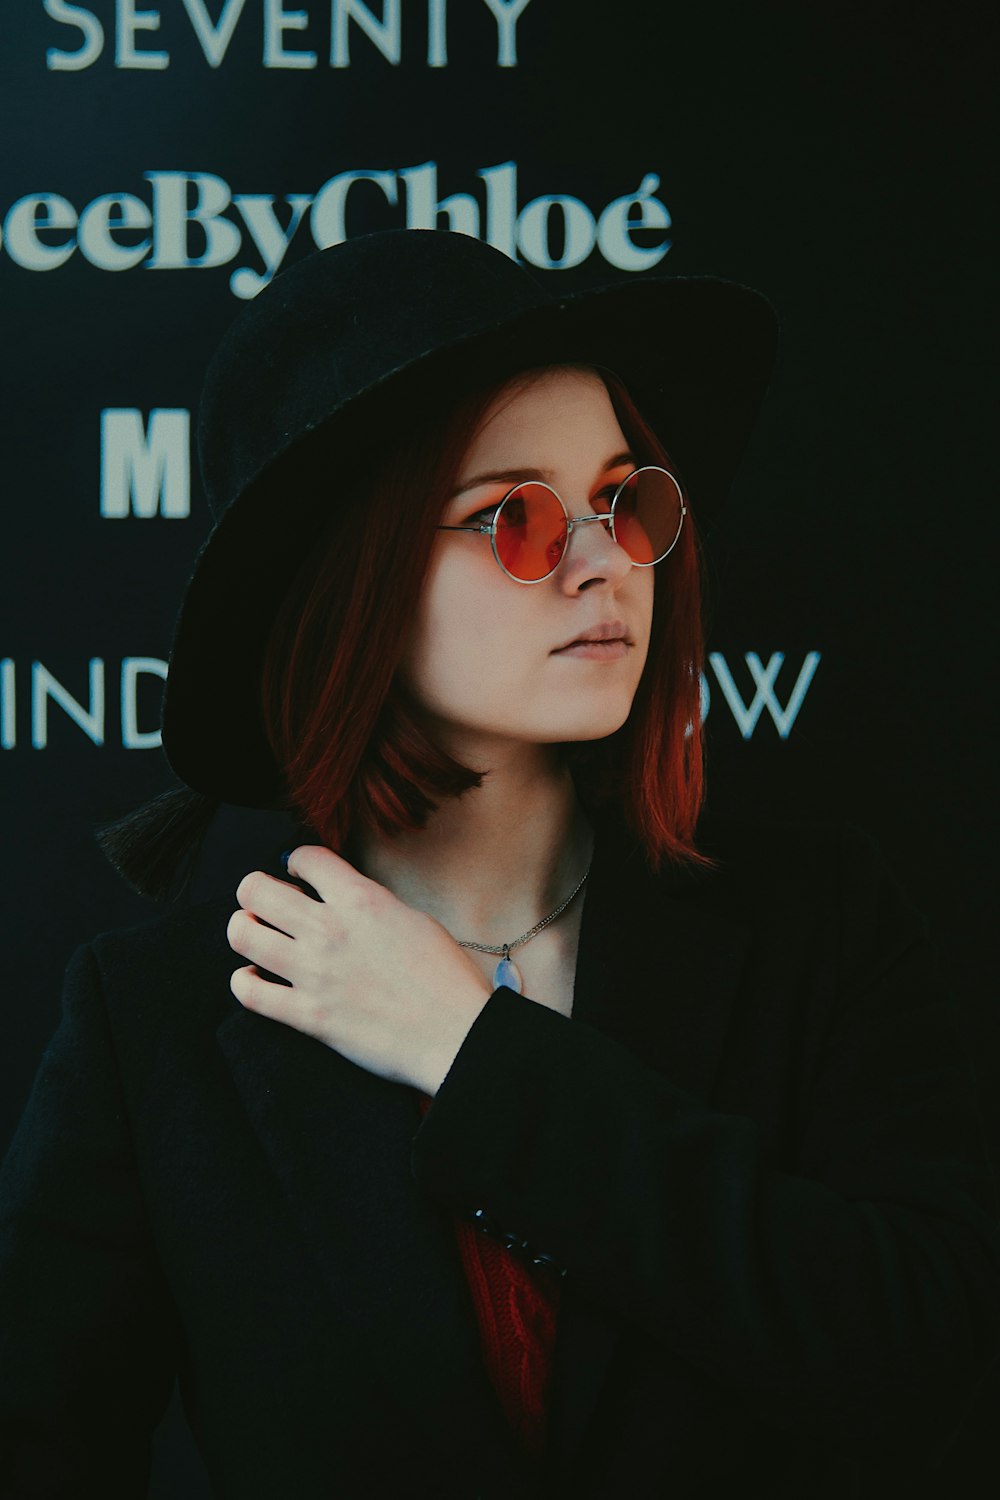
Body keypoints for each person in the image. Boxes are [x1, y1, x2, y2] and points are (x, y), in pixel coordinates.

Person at [0, 229, 997, 1500]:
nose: (604, 563)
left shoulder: (820, 928)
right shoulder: (159, 1025)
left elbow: (928, 1362)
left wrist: (476, 1059)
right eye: (512, 518)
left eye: (627, 499)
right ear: (347, 576)